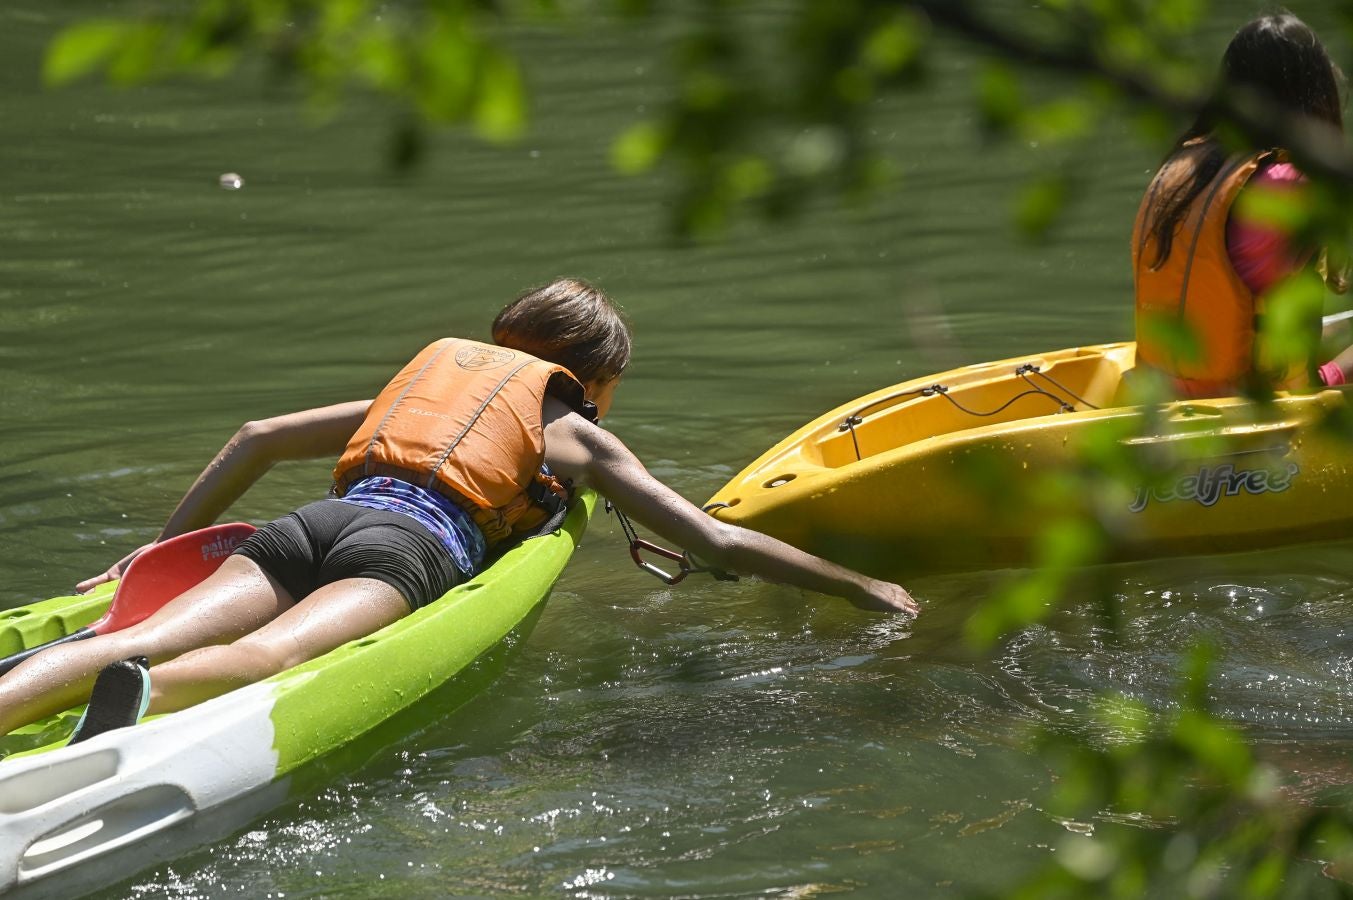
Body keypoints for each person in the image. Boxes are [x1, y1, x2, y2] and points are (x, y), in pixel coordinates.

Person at [0, 278, 916, 740]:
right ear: (591, 380)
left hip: (308, 527)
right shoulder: (577, 432)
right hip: (404, 552)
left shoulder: (424, 388)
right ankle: (150, 701)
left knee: (134, 635)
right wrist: (865, 586)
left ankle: (88, 679)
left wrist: (153, 553)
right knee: (269, 658)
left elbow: (256, 434)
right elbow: (714, 540)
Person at [1131, 11, 1351, 399]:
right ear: (1314, 95)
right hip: (1253, 400)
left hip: (1165, 388)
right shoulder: (1292, 184)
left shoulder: (1185, 164)